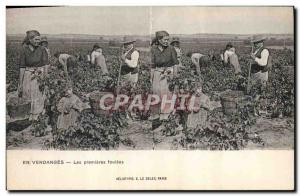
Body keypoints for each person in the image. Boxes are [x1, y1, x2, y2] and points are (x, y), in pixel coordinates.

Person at [150, 31, 179, 130]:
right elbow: (152, 66)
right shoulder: (153, 49)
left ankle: (166, 118)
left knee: (167, 95)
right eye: (165, 40)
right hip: (158, 73)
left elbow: (175, 64)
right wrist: (151, 77)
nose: (167, 41)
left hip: (168, 73)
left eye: (168, 39)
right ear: (159, 40)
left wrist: (174, 77)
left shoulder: (171, 49)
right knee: (156, 94)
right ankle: (157, 118)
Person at [18, 30, 49, 122]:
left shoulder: (42, 50)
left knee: (38, 94)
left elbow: (46, 65)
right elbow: (22, 67)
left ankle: (37, 115)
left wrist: (45, 78)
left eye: (39, 39)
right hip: (28, 75)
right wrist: (20, 83)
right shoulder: (24, 50)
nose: (37, 41)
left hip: (39, 74)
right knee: (27, 93)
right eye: (36, 39)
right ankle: (28, 114)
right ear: (30, 39)